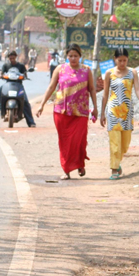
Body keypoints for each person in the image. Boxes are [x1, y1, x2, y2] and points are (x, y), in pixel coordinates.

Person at [37, 44, 98, 180]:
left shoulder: (86, 70)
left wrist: (95, 107)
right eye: (70, 56)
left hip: (81, 111)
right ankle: (66, 170)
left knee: (79, 140)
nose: (73, 58)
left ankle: (79, 163)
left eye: (75, 56)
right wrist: (42, 104)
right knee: (64, 141)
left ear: (80, 56)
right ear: (67, 56)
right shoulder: (60, 69)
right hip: (61, 111)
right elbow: (52, 86)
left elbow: (92, 89)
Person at [100, 48, 139, 180]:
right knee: (114, 142)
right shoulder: (109, 73)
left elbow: (137, 89)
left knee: (125, 144)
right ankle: (114, 169)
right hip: (113, 111)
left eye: (124, 60)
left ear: (127, 59)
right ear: (115, 59)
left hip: (127, 112)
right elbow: (105, 94)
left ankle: (118, 162)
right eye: (119, 60)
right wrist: (102, 113)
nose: (122, 63)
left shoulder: (133, 73)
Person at [0, 50, 36, 128]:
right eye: (10, 58)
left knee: (25, 101)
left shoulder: (21, 66)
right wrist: (0, 75)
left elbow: (25, 74)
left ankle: (31, 122)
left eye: (13, 58)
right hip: (8, 85)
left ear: (16, 57)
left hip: (18, 85)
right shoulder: (6, 65)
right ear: (8, 58)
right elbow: (1, 73)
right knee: (0, 90)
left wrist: (25, 76)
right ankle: (0, 108)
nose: (12, 59)